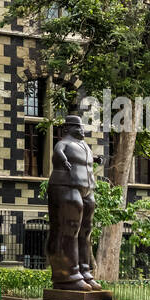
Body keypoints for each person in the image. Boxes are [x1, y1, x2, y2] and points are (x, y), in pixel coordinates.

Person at [46, 113, 103, 290]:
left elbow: (84, 161)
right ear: (67, 129)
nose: (81, 130)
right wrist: (62, 159)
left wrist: (96, 159)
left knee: (86, 230)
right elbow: (57, 151)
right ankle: (68, 275)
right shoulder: (64, 143)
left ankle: (85, 272)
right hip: (66, 186)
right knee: (68, 228)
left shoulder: (83, 145)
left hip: (86, 189)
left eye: (82, 127)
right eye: (77, 127)